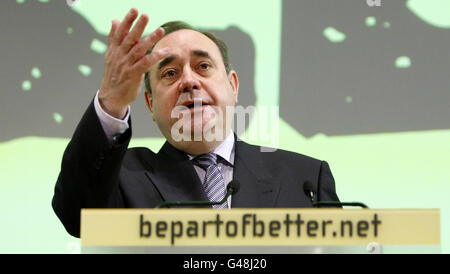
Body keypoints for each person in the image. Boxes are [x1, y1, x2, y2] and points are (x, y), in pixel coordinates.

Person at [52, 8, 340, 238]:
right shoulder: (121, 179)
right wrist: (111, 101)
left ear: (233, 85)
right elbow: (78, 216)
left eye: (203, 66)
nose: (189, 81)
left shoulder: (305, 178)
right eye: (170, 73)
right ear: (150, 104)